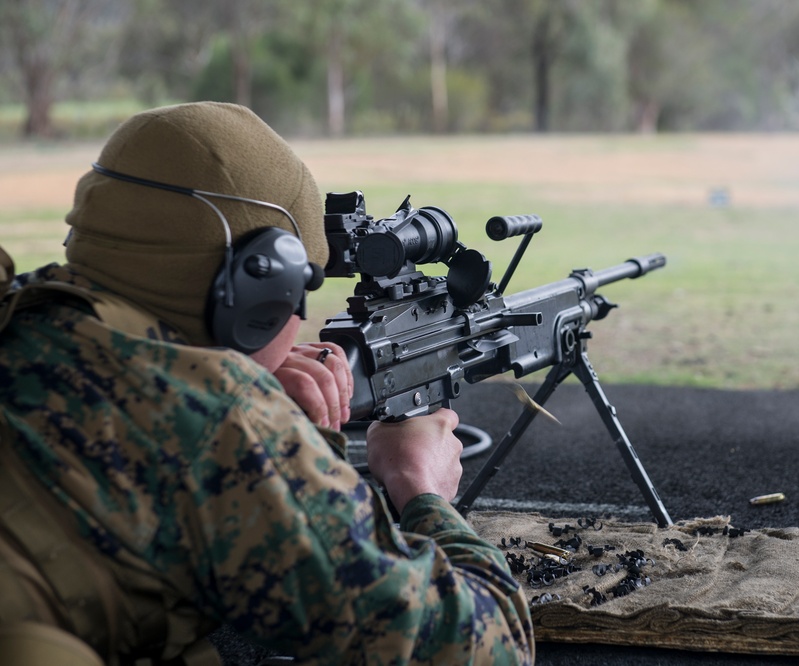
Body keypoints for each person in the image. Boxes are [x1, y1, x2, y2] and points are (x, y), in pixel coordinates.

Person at [0, 102, 534, 665]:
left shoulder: (20, 316)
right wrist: (421, 488)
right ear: (258, 292)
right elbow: (487, 647)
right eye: (302, 281)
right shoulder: (226, 423)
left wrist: (235, 367)